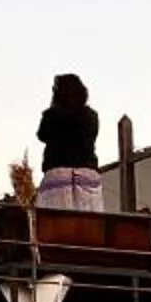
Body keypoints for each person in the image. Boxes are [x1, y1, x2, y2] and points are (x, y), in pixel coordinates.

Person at [36, 76, 105, 211]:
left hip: (58, 172)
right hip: (87, 172)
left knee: (58, 224)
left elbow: (42, 135)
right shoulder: (91, 116)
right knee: (90, 223)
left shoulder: (51, 116)